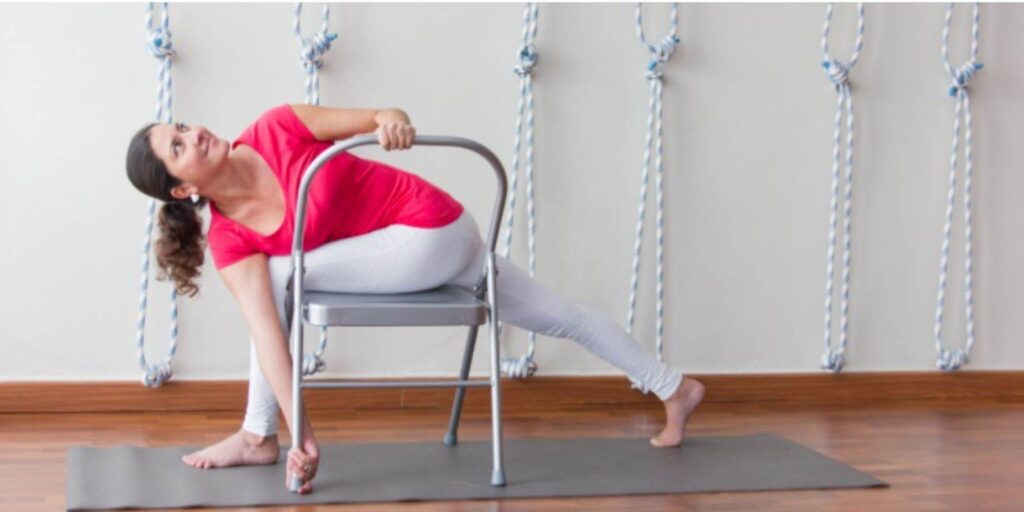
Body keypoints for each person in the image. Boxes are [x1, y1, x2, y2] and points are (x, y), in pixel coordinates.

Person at [124, 104, 706, 494]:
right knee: (562, 316)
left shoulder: (278, 127)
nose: (194, 133)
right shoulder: (232, 240)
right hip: (418, 254)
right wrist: (306, 433)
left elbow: (381, 114)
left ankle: (257, 436)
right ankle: (675, 387)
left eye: (184, 126)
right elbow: (269, 339)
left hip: (437, 228)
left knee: (278, 277)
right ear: (184, 188)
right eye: (179, 145)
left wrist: (392, 121)